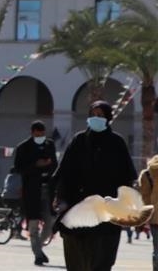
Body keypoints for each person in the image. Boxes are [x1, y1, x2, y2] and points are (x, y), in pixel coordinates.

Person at [52, 100, 137, 271]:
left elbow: (126, 177)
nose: (95, 118)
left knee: (102, 259)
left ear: (108, 118)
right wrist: (60, 197)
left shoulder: (116, 142)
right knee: (77, 258)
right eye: (93, 115)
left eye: (100, 115)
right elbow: (65, 173)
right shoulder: (79, 141)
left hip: (107, 210)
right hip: (78, 208)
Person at [13, 120, 58, 266]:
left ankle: (39, 247)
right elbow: (18, 168)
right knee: (33, 224)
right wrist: (35, 165)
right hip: (32, 190)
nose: (41, 137)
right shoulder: (23, 148)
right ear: (32, 133)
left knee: (50, 222)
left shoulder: (49, 145)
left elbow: (55, 164)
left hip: (47, 189)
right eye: (38, 134)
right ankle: (38, 255)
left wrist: (48, 167)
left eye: (43, 134)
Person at [138, 154, 158, 270]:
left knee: (157, 249)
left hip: (155, 218)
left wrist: (144, 219)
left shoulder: (147, 174)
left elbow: (145, 199)